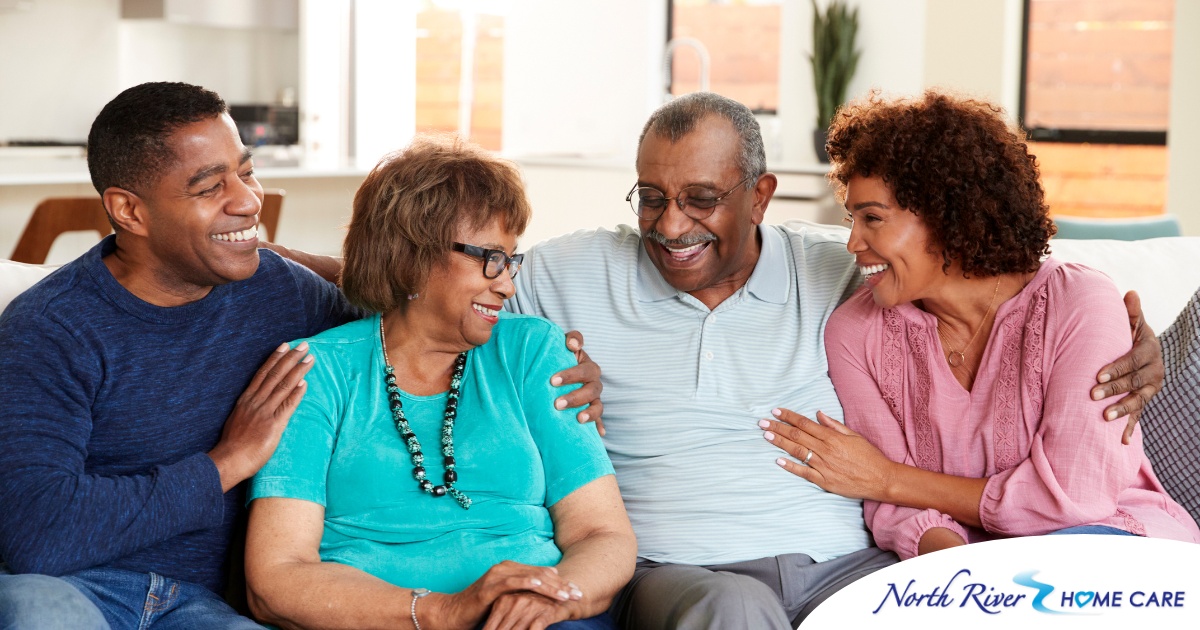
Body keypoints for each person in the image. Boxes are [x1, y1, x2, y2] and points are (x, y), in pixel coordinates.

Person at [270, 92, 1165, 629]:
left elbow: (1010, 293)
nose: (670, 225)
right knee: (734, 615)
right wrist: (254, 258)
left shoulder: (846, 278)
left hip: (843, 563)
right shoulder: (568, 277)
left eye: (700, 199)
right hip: (690, 575)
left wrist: (1138, 331)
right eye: (651, 198)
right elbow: (430, 276)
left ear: (761, 195)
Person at [0, 82, 602, 630]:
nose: (247, 201)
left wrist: (567, 371)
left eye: (247, 173)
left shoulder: (280, 292)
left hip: (202, 605)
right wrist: (226, 463)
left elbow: (402, 322)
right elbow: (37, 534)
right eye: (211, 187)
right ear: (129, 210)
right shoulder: (49, 331)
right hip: (73, 590)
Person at [762, 90, 1199, 560]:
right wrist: (960, 576)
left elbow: (1075, 498)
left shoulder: (1080, 304)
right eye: (852, 219)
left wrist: (889, 477)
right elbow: (895, 509)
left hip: (1111, 546)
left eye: (872, 219)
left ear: (948, 215)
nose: (853, 243)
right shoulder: (855, 332)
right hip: (979, 569)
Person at [243, 136, 636, 630]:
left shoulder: (533, 352)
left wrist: (556, 598)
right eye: (490, 257)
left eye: (511, 260)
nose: (508, 284)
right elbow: (277, 577)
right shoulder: (317, 372)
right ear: (413, 255)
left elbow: (603, 534)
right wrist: (442, 612)